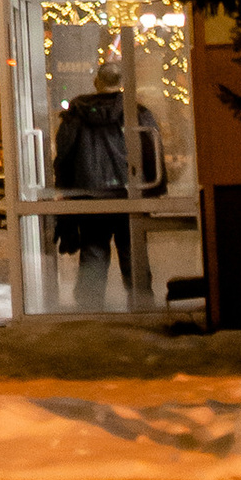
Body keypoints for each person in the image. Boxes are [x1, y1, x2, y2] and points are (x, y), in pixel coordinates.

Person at [50, 47, 164, 312]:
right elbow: (152, 151)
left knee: (93, 252)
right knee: (133, 252)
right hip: (131, 193)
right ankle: (141, 307)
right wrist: (155, 188)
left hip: (90, 195)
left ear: (96, 83)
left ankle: (90, 309)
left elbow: (64, 154)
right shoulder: (137, 113)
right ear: (121, 83)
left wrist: (65, 189)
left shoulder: (76, 114)